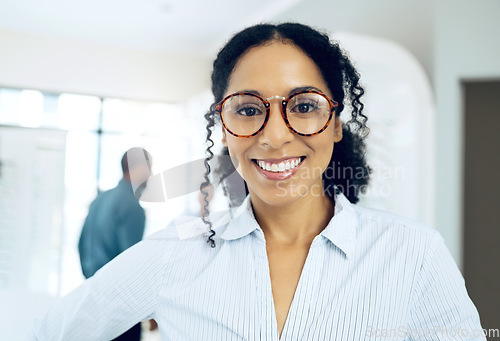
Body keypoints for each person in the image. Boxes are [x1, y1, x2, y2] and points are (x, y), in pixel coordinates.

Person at [30, 23, 485, 340]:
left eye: (304, 106)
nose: (273, 136)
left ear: (336, 123)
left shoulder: (413, 255)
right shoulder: (176, 253)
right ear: (224, 126)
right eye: (248, 110)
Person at [77, 147, 152, 341]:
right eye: (149, 169)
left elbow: (80, 244)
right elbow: (131, 264)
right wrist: (149, 309)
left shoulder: (99, 199)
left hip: (92, 300)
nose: (150, 176)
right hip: (120, 309)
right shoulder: (133, 207)